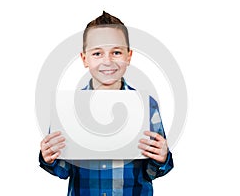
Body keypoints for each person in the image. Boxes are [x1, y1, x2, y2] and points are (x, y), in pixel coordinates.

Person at [39, 11, 174, 196]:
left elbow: (152, 171)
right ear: (85, 59)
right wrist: (49, 158)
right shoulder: (68, 108)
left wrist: (162, 158)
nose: (107, 61)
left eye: (116, 52)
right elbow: (63, 171)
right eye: (97, 53)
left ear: (129, 56)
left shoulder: (147, 106)